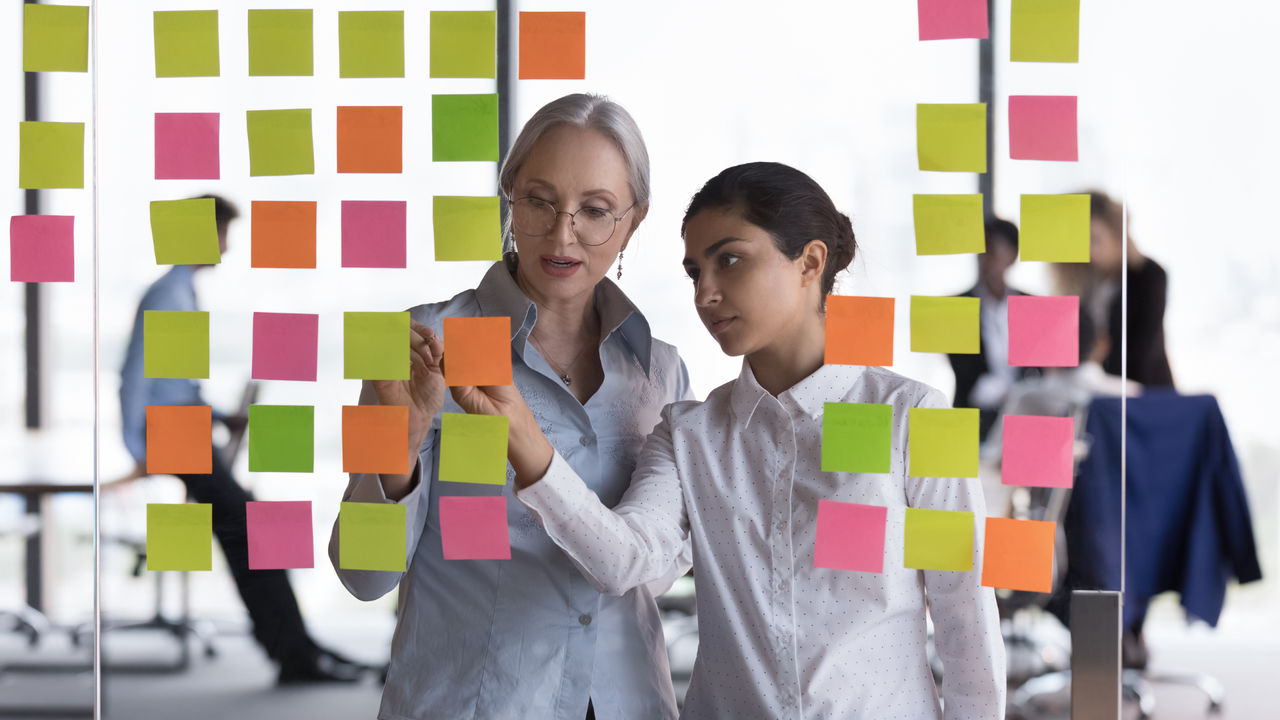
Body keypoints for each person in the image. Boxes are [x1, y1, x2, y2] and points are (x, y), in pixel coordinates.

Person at [450, 163, 1005, 717]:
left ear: (810, 262)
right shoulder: (690, 433)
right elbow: (624, 562)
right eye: (695, 272)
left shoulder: (917, 416)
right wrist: (524, 440)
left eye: (730, 260)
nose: (706, 294)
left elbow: (968, 629)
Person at [329, 94, 693, 720]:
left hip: (626, 701)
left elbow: (654, 568)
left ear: (633, 220)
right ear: (509, 193)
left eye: (595, 211)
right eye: (540, 201)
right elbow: (363, 578)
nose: (561, 234)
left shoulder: (660, 372)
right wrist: (401, 443)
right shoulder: (420, 343)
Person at [119, 194, 362, 684]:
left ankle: (297, 646)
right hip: (172, 436)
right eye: (221, 234)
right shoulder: (169, 294)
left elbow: (174, 385)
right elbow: (137, 381)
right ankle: (294, 652)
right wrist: (140, 449)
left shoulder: (179, 291)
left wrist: (217, 414)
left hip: (182, 430)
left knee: (250, 524)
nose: (226, 248)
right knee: (252, 526)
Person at [1051, 191, 1174, 387]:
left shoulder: (1148, 276)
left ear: (1117, 235)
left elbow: (1142, 352)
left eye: (1095, 239)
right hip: (1092, 392)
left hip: (1142, 393)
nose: (1090, 250)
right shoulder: (1083, 281)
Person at [947, 218, 1037, 441]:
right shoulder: (956, 308)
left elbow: (1042, 369)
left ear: (1013, 255)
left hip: (1026, 416)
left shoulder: (1033, 306)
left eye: (992, 250)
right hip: (975, 419)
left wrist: (1022, 395)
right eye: (981, 251)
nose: (985, 259)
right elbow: (963, 371)